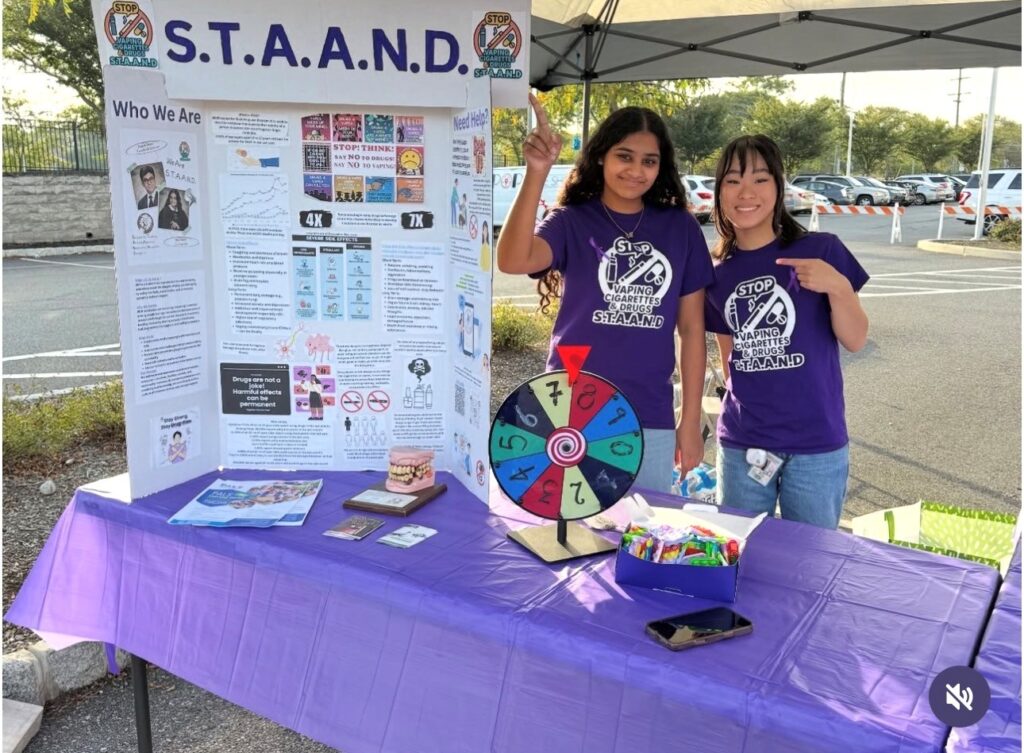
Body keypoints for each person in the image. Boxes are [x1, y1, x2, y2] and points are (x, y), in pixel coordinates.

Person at [496, 94, 713, 493]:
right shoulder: (572, 220)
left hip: (650, 410)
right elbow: (512, 260)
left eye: (649, 161)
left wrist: (690, 419)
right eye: (624, 156)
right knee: (574, 535)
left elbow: (692, 329)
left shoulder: (680, 228)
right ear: (601, 157)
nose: (636, 170)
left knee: (641, 533)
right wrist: (536, 172)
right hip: (569, 408)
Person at [703, 135, 869, 529]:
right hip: (743, 445)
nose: (746, 192)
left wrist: (838, 287)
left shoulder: (822, 250)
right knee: (742, 558)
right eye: (733, 180)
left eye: (760, 179)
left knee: (811, 565)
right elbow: (729, 361)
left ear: (778, 187)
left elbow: (856, 338)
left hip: (817, 446)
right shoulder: (716, 273)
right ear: (719, 192)